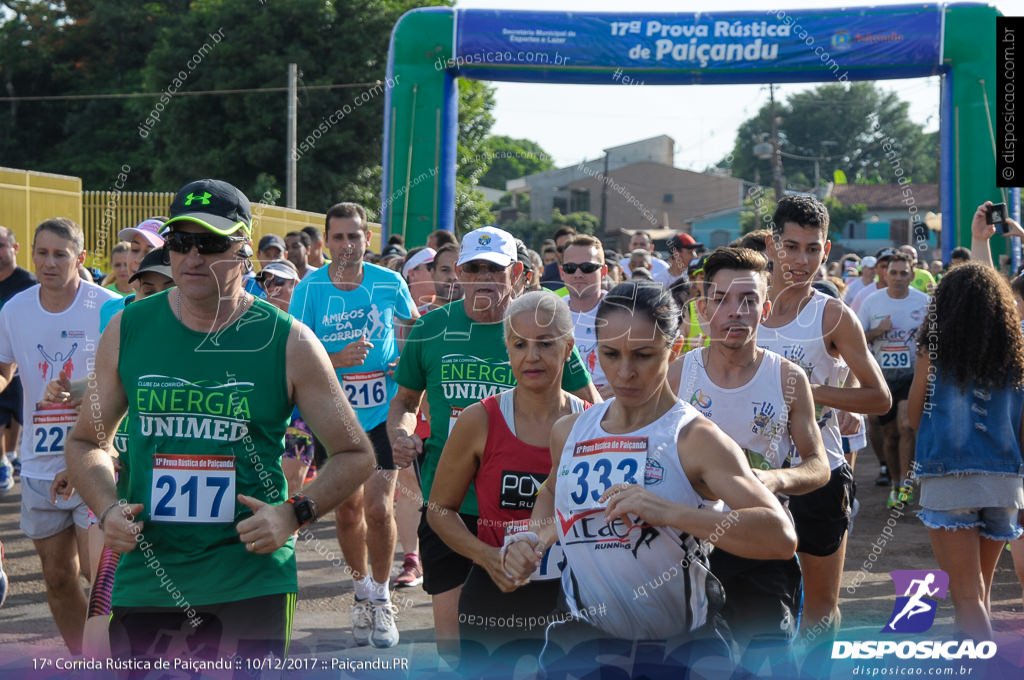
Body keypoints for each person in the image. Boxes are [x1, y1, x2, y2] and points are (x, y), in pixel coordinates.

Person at [65, 178, 375, 664]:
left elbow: (356, 453)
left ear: (244, 249)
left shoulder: (288, 341)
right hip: (149, 578)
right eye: (180, 242)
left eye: (210, 243)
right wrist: (106, 509)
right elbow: (87, 440)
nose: (191, 257)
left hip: (249, 579)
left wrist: (294, 514)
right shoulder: (128, 327)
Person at [505, 281, 797, 674]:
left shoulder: (695, 438)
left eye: (643, 355)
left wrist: (669, 512)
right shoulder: (570, 431)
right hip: (581, 643)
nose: (625, 372)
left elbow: (779, 537)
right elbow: (555, 488)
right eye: (610, 354)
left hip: (679, 648)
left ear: (674, 349)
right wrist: (533, 540)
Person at [388, 225, 599, 663]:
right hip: (451, 505)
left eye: (494, 269)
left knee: (533, 644)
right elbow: (405, 401)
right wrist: (401, 434)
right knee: (454, 649)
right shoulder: (430, 328)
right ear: (459, 274)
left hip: (530, 512)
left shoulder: (538, 326)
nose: (483, 277)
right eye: (474, 268)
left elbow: (589, 407)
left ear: (517, 273)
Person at [669, 247, 828, 646]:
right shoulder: (676, 376)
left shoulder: (789, 378)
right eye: (721, 299)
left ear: (766, 308)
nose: (735, 311)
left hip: (762, 545)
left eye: (748, 300)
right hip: (689, 548)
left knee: (767, 662)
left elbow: (818, 464)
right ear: (704, 308)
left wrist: (774, 479)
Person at [428, 290, 588, 668]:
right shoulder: (479, 420)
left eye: (545, 344)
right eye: (519, 344)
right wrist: (487, 557)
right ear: (508, 350)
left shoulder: (591, 424)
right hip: (496, 595)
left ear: (568, 348)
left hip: (574, 599)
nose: (531, 356)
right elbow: (439, 510)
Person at [758, 195, 891, 639]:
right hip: (748, 476)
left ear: (827, 249)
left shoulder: (833, 314)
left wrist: (808, 393)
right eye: (791, 246)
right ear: (772, 244)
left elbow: (880, 398)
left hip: (820, 474)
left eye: (812, 249)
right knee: (754, 602)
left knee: (818, 609)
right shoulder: (740, 308)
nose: (801, 260)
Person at [290, 201, 418, 649]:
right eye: (339, 237)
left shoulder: (390, 282)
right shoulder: (309, 289)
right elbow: (294, 349)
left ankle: (382, 597)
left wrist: (404, 362)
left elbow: (412, 329)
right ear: (326, 242)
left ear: (368, 239)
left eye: (355, 236)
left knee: (379, 508)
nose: (347, 245)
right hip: (335, 416)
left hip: (383, 412)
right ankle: (361, 589)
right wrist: (335, 359)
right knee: (346, 509)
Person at [0, 217, 119, 654]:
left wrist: (86, 396)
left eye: (60, 254)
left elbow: (128, 376)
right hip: (37, 462)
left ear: (81, 258)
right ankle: (83, 661)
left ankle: (116, 658)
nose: (48, 263)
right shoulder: (14, 309)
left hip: (96, 460)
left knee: (99, 575)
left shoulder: (109, 307)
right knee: (57, 577)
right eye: (42, 252)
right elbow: (3, 371)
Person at [907, 262, 1024, 640]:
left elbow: (913, 416)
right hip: (1005, 479)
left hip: (949, 473)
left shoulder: (934, 351)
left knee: (967, 596)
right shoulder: (1016, 353)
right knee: (979, 594)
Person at [858, 251, 929, 508]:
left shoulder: (924, 302)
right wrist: (879, 331)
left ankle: (905, 488)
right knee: (889, 435)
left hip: (913, 376)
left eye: (903, 273)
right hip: (883, 377)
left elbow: (938, 339)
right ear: (885, 274)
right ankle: (896, 483)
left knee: (906, 426)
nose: (898, 278)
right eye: (894, 273)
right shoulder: (871, 302)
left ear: (912, 274)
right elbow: (856, 341)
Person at [0, 226, 36, 489]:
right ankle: (3, 461)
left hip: (22, 360)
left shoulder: (29, 283)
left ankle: (11, 455)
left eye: (1, 245)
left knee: (16, 414)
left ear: (15, 248)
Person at [561, 235, 610, 396]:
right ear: (562, 273)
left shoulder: (622, 311)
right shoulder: (550, 312)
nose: (578, 274)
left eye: (587, 267)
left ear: (603, 271)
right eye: (570, 268)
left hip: (611, 407)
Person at [850, 248, 894, 314]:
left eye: (891, 266)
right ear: (876, 268)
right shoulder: (863, 296)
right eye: (883, 266)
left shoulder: (913, 297)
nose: (887, 271)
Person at [540, 226, 577, 291]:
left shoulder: (587, 270)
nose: (565, 252)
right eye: (561, 249)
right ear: (556, 250)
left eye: (568, 247)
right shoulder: (545, 273)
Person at [402, 246, 437, 312]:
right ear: (412, 274)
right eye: (431, 266)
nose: (437, 272)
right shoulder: (396, 311)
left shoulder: (449, 309)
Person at [430, 243, 463, 309]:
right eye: (445, 270)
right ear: (432, 273)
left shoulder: (482, 318)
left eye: (459, 271)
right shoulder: (415, 317)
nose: (453, 277)